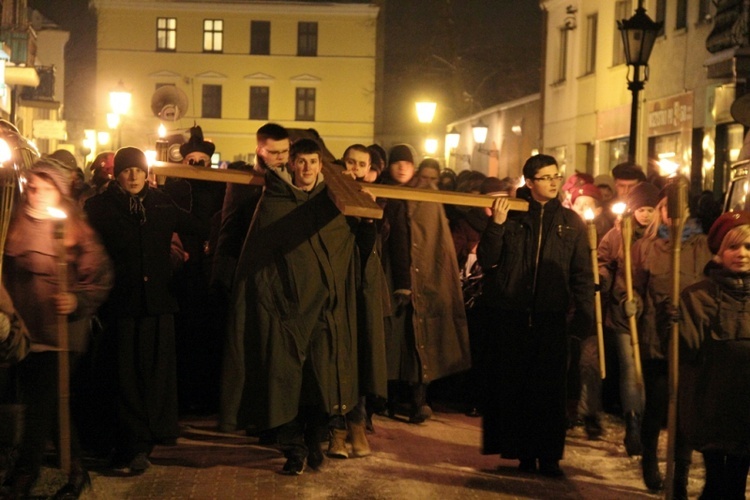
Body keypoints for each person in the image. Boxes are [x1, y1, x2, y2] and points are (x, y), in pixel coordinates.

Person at [220, 138, 383, 475]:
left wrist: (369, 222)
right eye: (301, 161)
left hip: (325, 313)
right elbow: (258, 259)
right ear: (291, 164)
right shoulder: (274, 201)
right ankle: (293, 450)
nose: (307, 168)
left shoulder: (334, 203)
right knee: (284, 385)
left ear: (321, 165)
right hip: (285, 314)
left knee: (320, 383)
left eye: (313, 161)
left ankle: (313, 443)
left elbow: (354, 252)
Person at [1, 159, 113, 499]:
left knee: (40, 404)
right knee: (52, 408)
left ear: (60, 192)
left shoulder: (74, 227)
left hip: (61, 334)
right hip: (24, 330)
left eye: (46, 188)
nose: (37, 194)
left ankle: (26, 474)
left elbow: (100, 275)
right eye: (33, 186)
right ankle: (77, 472)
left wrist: (75, 299)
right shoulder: (13, 221)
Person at [478, 153, 594, 477]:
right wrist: (496, 226)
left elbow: (582, 274)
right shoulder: (512, 215)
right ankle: (522, 453)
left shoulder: (571, 223)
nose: (554, 182)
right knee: (517, 387)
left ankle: (549, 456)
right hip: (512, 315)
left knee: (549, 392)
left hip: (550, 317)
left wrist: (583, 315)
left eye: (557, 176)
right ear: (529, 182)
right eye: (546, 177)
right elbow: (488, 259)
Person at [84, 147, 198, 475]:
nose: (133, 176)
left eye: (138, 170)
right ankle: (130, 444)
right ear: (116, 174)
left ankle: (147, 440)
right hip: (120, 305)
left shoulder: (161, 203)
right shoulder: (99, 207)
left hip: (157, 304)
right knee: (124, 377)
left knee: (154, 376)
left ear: (146, 172)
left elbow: (197, 225)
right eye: (126, 170)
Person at [624, 187, 711, 495]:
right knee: (658, 405)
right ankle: (649, 458)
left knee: (685, 410)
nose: (671, 213)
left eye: (678, 207)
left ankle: (681, 475)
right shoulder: (647, 247)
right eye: (665, 207)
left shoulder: (704, 246)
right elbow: (632, 284)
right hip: (656, 338)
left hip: (690, 339)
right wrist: (630, 300)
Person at [378, 144, 470, 424]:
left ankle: (419, 400)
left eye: (407, 163)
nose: (402, 168)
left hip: (425, 279)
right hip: (389, 277)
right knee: (392, 340)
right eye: (397, 163)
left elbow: (435, 242)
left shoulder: (425, 196)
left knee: (422, 340)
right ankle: (389, 398)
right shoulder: (381, 194)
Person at [679, 211, 750, 500]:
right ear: (719, 252)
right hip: (714, 404)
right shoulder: (699, 296)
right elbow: (689, 350)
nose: (742, 254)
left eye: (748, 246)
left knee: (736, 482)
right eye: (733, 247)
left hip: (747, 405)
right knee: (718, 484)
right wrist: (673, 323)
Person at [163, 124, 226, 415]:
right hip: (186, 272)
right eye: (192, 162)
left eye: (202, 161)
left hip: (210, 270)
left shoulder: (219, 187)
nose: (198, 166)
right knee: (185, 334)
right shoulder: (176, 188)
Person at [599, 180, 660, 457]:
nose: (645, 215)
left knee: (647, 373)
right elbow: (603, 264)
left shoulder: (661, 238)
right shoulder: (616, 236)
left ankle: (647, 421)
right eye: (641, 209)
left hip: (652, 317)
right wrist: (603, 281)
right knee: (630, 369)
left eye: (651, 209)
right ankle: (633, 422)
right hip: (624, 314)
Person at [212, 123, 290, 301]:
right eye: (274, 152)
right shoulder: (243, 181)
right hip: (241, 268)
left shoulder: (289, 180)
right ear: (260, 150)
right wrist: (221, 277)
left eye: (285, 151)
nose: (281, 158)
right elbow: (229, 232)